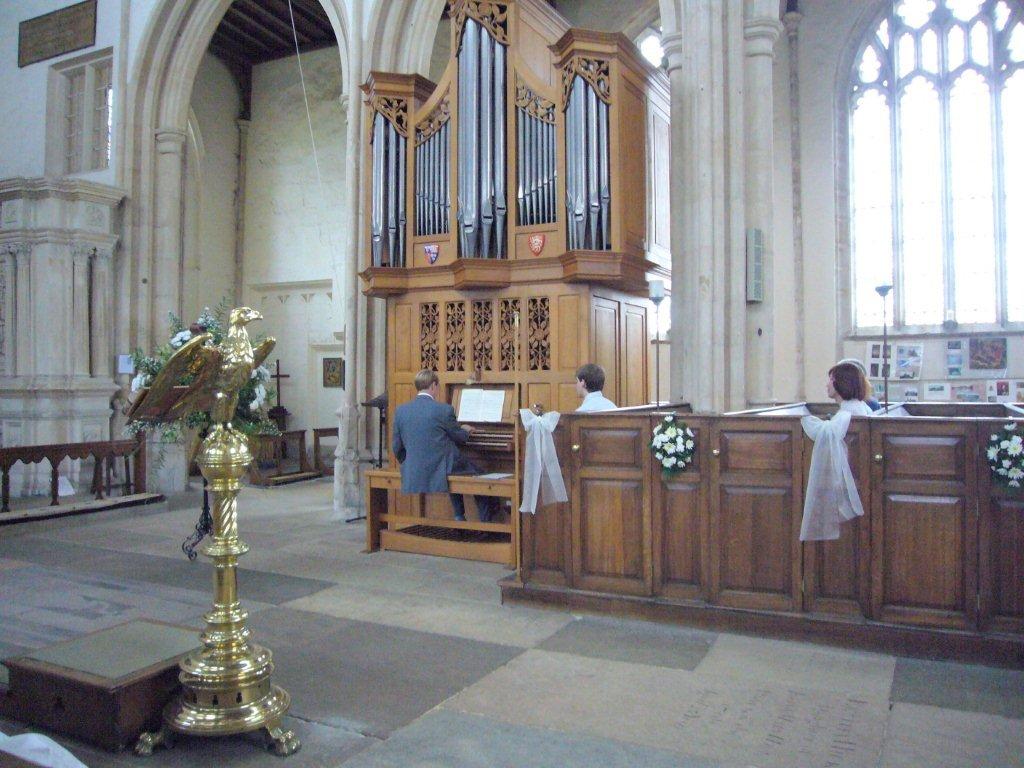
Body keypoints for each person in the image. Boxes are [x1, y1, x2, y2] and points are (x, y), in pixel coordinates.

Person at [392, 369, 500, 522]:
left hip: (415, 467)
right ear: (433, 386)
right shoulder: (443, 410)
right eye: (438, 386)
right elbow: (460, 437)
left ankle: (459, 517)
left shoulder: (401, 411)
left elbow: (396, 446)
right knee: (481, 477)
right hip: (442, 467)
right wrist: (465, 430)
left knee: (454, 469)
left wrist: (412, 462)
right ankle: (486, 526)